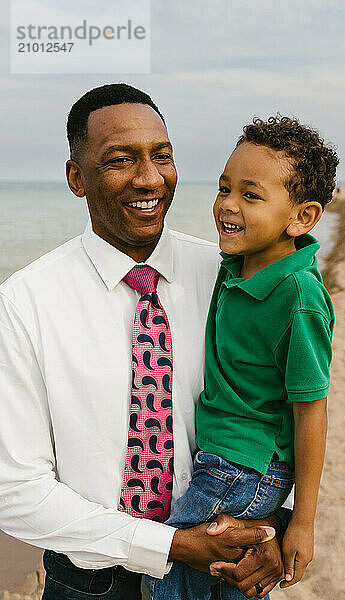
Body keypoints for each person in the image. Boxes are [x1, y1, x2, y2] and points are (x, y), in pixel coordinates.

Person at [0, 84, 290, 600]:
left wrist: (276, 528)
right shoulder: (25, 302)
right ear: (76, 178)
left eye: (162, 156)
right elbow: (15, 491)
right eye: (119, 160)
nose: (150, 177)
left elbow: (286, 410)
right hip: (90, 585)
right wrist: (170, 546)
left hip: (219, 574)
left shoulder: (229, 280)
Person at [142, 115, 338, 600]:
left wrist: (303, 521)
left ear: (303, 218)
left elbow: (311, 409)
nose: (227, 205)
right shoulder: (235, 265)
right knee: (229, 580)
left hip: (245, 467)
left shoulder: (297, 295)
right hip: (227, 460)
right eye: (224, 188)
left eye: (251, 195)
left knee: (165, 565)